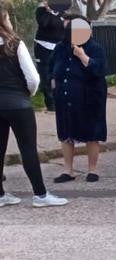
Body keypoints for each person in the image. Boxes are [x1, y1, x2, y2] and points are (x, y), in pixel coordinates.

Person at [0, 2, 65, 206]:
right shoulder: (14, 44)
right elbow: (33, 78)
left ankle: (1, 194)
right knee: (28, 148)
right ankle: (40, 194)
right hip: (18, 103)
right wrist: (27, 94)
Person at [50, 15, 106, 183]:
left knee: (91, 133)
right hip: (65, 96)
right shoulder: (60, 48)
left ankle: (92, 169)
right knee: (66, 133)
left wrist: (83, 57)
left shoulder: (95, 48)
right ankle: (68, 170)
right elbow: (50, 67)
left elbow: (100, 70)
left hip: (89, 97)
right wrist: (53, 84)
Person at [33, 0, 66, 112]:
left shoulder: (63, 12)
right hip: (43, 48)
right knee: (46, 75)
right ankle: (51, 104)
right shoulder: (41, 11)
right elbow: (44, 23)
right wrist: (49, 11)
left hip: (59, 48)